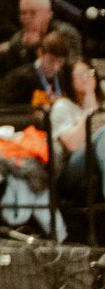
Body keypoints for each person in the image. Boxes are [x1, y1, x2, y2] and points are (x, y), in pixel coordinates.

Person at [51, 58, 105, 199]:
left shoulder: (103, 103)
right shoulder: (62, 106)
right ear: (70, 80)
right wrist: (88, 112)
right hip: (73, 166)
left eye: (89, 72)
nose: (86, 77)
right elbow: (72, 145)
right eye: (80, 74)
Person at [0, 32, 69, 108]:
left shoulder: (62, 75)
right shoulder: (19, 78)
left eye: (60, 62)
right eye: (51, 61)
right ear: (40, 54)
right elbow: (10, 111)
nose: (56, 67)